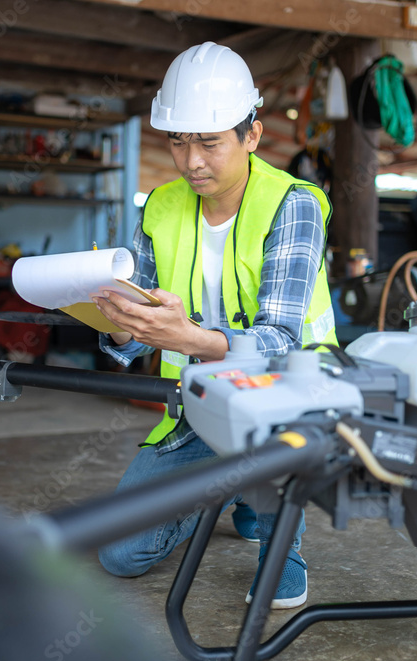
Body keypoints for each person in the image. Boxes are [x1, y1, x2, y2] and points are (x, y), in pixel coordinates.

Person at [92, 41, 338, 609]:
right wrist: (122, 325)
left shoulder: (293, 204)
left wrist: (190, 339)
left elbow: (281, 340)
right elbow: (133, 341)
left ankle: (280, 539)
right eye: (178, 141)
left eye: (209, 142)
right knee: (120, 553)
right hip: (201, 406)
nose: (191, 161)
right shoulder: (160, 207)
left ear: (252, 135)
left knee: (272, 426)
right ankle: (238, 484)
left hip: (289, 403)